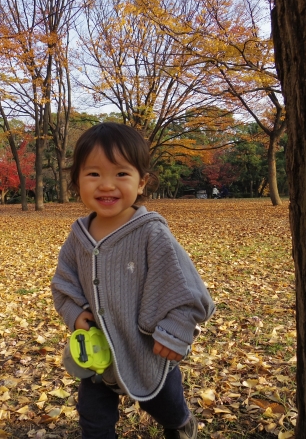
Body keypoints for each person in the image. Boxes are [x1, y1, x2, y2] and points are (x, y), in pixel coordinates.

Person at [51, 123, 215, 439]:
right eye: (94, 174)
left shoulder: (151, 233)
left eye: (121, 174)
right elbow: (63, 283)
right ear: (77, 183)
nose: (107, 185)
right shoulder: (78, 237)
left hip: (147, 352)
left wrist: (176, 332)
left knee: (166, 407)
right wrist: (75, 314)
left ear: (142, 182)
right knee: (93, 422)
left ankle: (181, 423)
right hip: (98, 356)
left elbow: (189, 291)